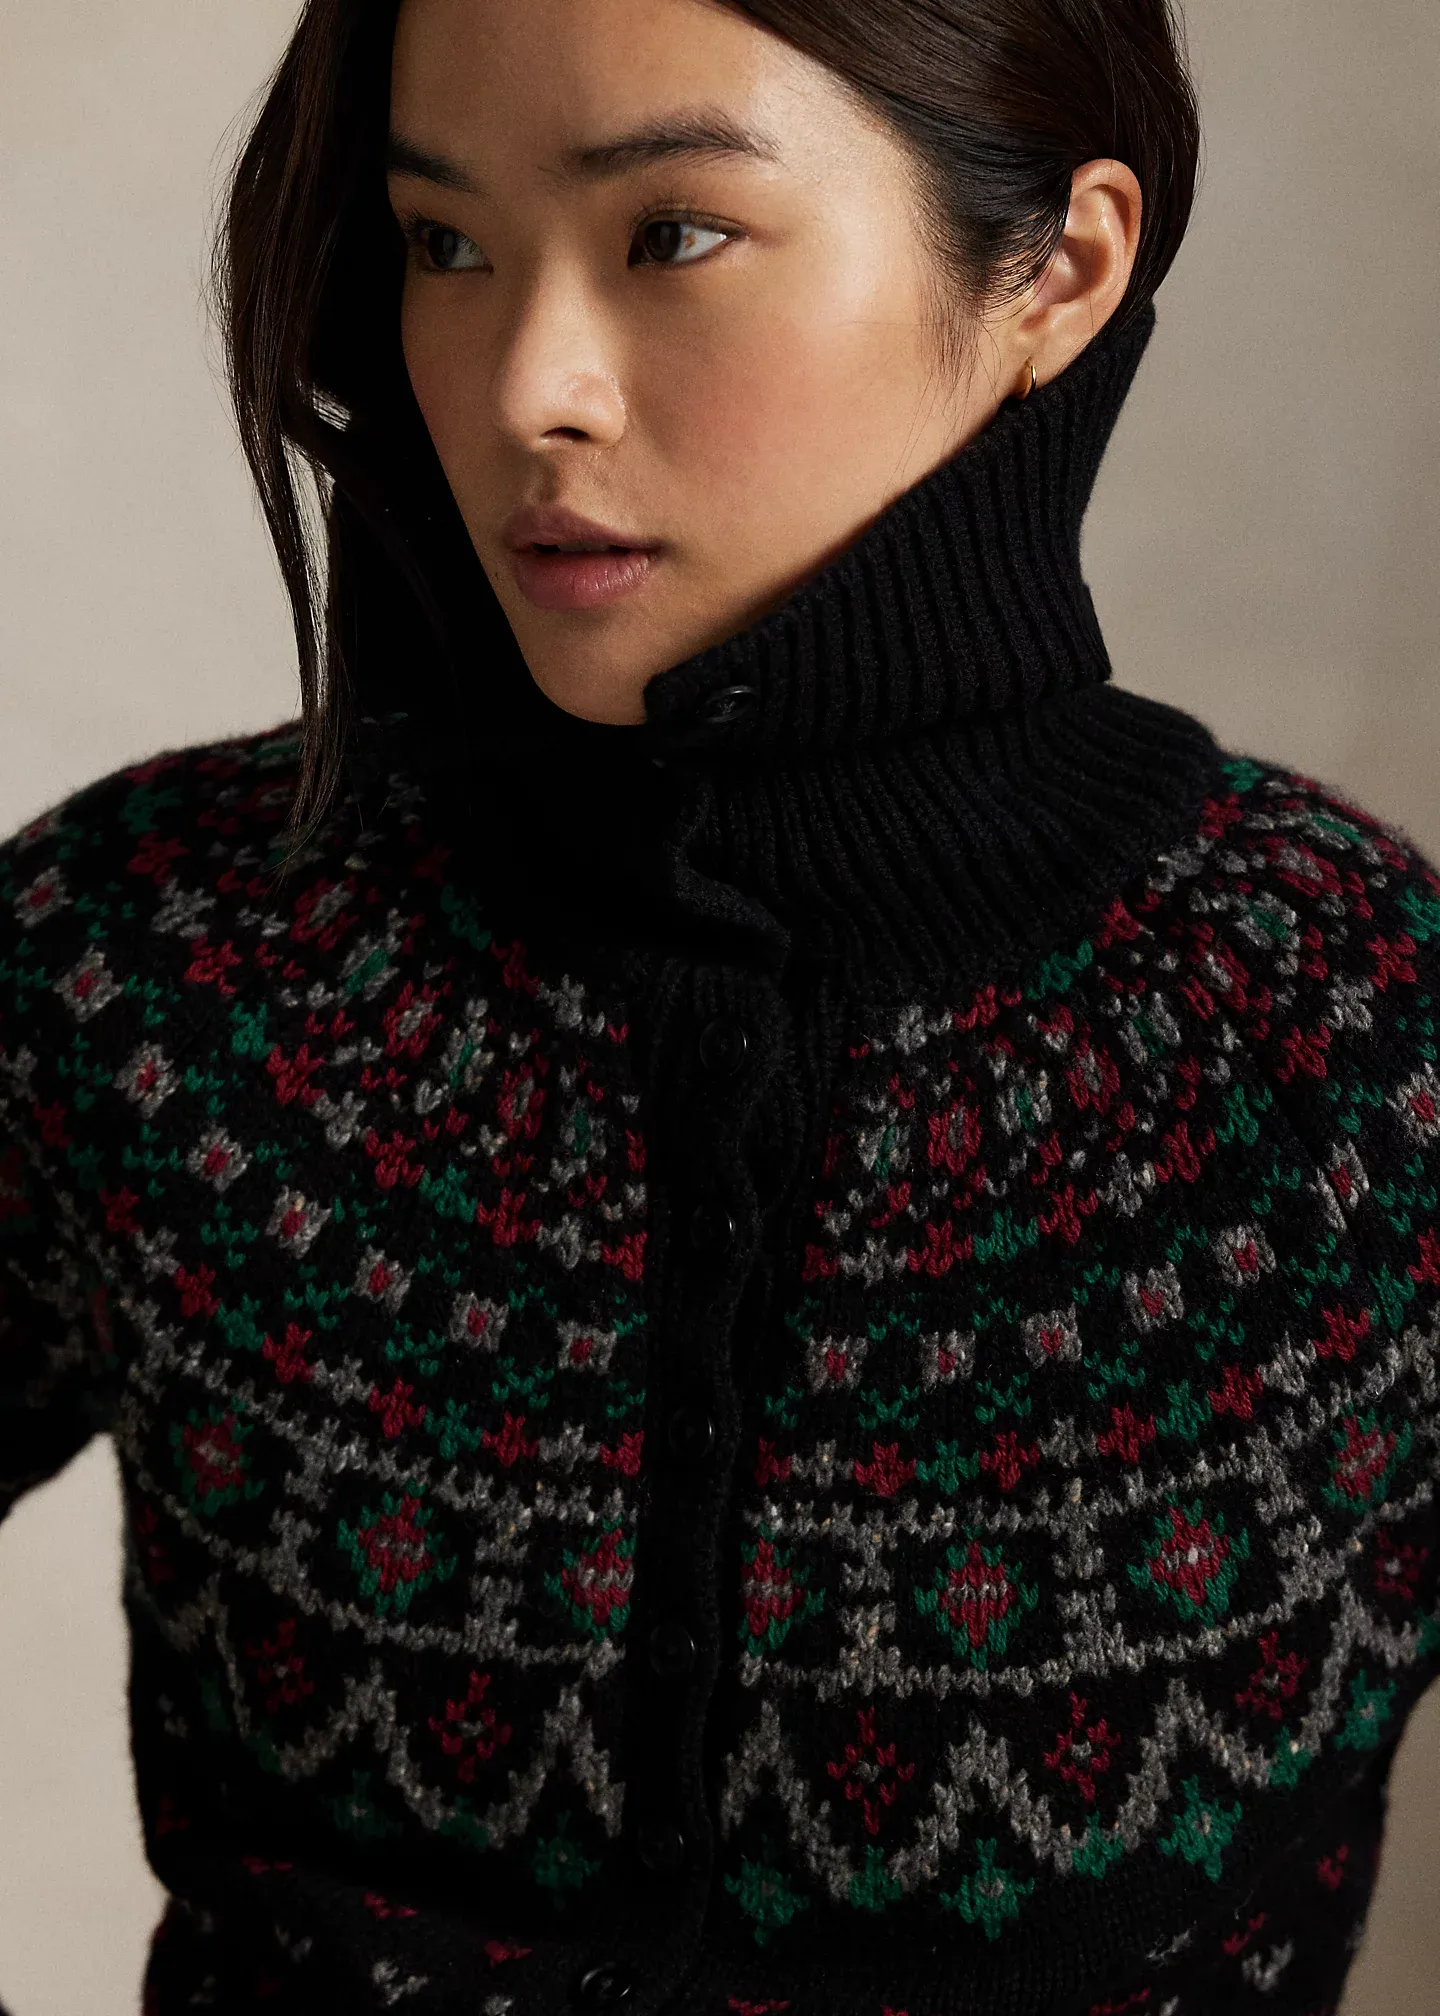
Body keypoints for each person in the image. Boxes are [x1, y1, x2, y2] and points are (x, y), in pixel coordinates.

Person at [2, 1, 1438, 2012]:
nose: (527, 385)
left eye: (673, 234)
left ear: (1062, 268)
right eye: (444, 243)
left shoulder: (1368, 1045)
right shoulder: (160, 957)